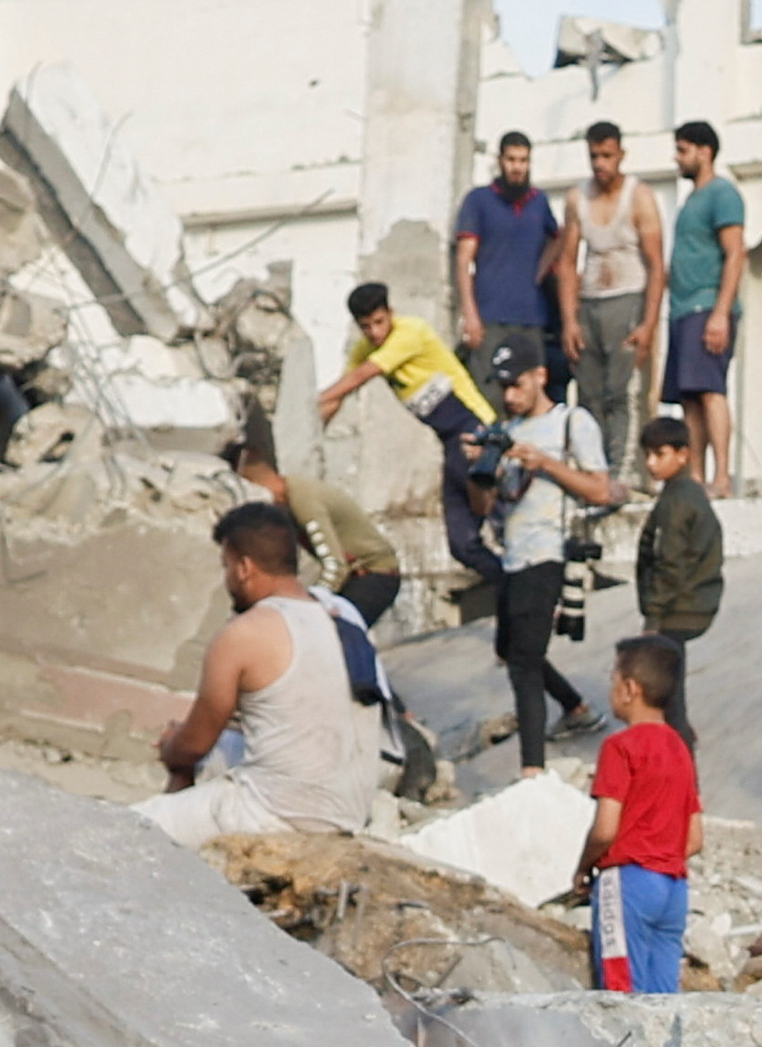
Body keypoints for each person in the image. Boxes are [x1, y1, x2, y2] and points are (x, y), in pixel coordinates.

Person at [143, 498, 383, 844]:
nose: (227, 578)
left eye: (226, 567)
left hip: (276, 815)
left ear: (244, 567)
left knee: (131, 828)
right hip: (349, 814)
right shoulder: (342, 620)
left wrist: (171, 748)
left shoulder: (246, 633)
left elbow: (193, 744)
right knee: (224, 749)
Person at [477, 343, 614, 774]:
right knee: (511, 651)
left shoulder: (571, 423)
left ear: (539, 376)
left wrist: (545, 463)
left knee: (524, 662)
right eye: (503, 388)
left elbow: (600, 491)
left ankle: (532, 771)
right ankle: (575, 708)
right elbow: (484, 506)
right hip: (512, 556)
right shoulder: (505, 429)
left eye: (516, 385)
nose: (510, 396)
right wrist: (481, 467)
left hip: (550, 551)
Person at [316, 283, 501, 576]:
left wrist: (311, 403)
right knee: (461, 543)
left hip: (474, 429)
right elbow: (339, 393)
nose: (375, 333)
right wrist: (312, 429)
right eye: (366, 327)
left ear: (390, 313)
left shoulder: (410, 331)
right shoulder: (366, 348)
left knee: (503, 519)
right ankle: (507, 586)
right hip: (450, 442)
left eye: (379, 322)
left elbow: (360, 377)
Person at [583, 634, 699, 994]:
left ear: (630, 689)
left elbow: (605, 829)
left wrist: (583, 867)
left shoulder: (619, 746)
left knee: (622, 995)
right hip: (673, 888)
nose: (611, 689)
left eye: (613, 679)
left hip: (629, 881)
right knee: (664, 1000)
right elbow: (694, 838)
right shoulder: (680, 748)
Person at [566, 121, 670, 470]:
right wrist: (569, 320)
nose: (600, 164)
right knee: (590, 395)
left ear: (621, 154)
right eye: (594, 156)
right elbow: (567, 263)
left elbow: (656, 265)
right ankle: (593, 472)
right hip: (590, 302)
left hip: (629, 299)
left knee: (625, 394)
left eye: (607, 156)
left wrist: (648, 324)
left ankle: (626, 473)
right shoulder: (577, 198)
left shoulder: (639, 196)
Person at [230, 432, 403, 631]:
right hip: (356, 577)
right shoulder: (289, 500)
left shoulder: (302, 500)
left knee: (329, 634)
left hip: (373, 575)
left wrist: (311, 604)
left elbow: (335, 565)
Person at [662, 121, 751, 493]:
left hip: (707, 305)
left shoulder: (722, 194)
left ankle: (722, 477)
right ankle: (696, 477)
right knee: (689, 397)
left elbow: (735, 253)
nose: (677, 158)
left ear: (705, 151)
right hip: (682, 310)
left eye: (683, 150)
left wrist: (720, 312)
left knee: (711, 390)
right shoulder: (690, 201)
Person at [453, 130, 570, 413]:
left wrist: (541, 270)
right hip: (490, 318)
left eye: (523, 160)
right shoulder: (478, 200)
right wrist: (470, 314)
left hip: (531, 319)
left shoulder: (539, 201)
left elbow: (558, 237)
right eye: (511, 160)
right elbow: (463, 260)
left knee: (530, 399)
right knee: (489, 398)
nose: (517, 167)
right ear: (500, 161)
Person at [631, 412, 724, 739]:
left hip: (679, 607)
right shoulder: (681, 493)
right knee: (671, 689)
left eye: (660, 454)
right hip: (688, 602)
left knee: (670, 700)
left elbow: (670, 563)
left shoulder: (678, 502)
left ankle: (682, 756)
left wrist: (653, 619)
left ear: (683, 455)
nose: (651, 463)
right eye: (648, 454)